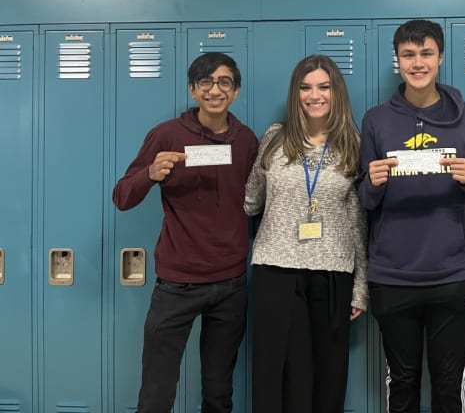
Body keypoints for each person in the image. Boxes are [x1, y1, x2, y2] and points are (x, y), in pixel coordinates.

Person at [357, 19, 465, 413]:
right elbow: (364, 199)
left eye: (426, 54)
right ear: (398, 60)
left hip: (452, 275)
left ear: (441, 58)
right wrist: (374, 182)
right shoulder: (375, 120)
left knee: (449, 387)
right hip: (392, 277)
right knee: (401, 385)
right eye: (408, 55)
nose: (418, 63)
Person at [112, 52, 259, 413]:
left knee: (218, 389)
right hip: (177, 284)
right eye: (205, 82)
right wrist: (150, 173)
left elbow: (256, 201)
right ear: (193, 90)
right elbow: (122, 197)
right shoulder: (166, 135)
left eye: (224, 82)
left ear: (236, 91)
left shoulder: (245, 140)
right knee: (157, 390)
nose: (215, 90)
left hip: (230, 283)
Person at [244, 54, 367, 413]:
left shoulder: (352, 144)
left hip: (332, 272)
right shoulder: (274, 138)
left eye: (324, 87)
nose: (315, 95)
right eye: (306, 87)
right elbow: (251, 200)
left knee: (328, 376)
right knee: (277, 375)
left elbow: (357, 218)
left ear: (336, 93)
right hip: (276, 268)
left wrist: (361, 285)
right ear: (295, 93)